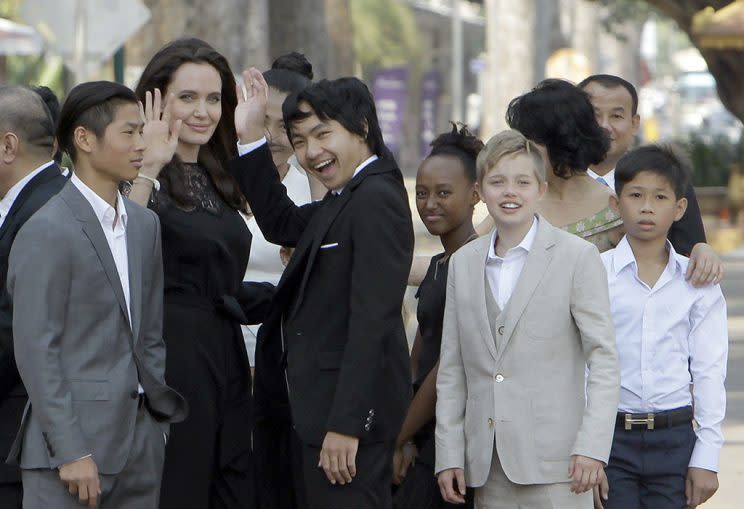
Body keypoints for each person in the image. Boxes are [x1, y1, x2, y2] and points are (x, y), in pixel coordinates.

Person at [228, 70, 414, 509]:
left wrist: (347, 425)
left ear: (362, 127)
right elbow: (279, 223)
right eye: (300, 141)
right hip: (314, 417)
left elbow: (373, 320)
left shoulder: (376, 199)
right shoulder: (346, 195)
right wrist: (250, 135)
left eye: (322, 134)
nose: (312, 153)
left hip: (345, 428)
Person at [6, 80, 187, 509]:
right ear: (84, 139)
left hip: (141, 450)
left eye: (142, 131)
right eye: (129, 132)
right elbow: (36, 349)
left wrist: (156, 428)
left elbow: (150, 335)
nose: (141, 143)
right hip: (68, 456)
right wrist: (69, 449)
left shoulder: (145, 226)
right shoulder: (46, 229)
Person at [436, 129, 619, 509]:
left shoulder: (577, 257)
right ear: (481, 191)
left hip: (562, 464)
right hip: (488, 466)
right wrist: (449, 453)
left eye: (522, 182)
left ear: (540, 189)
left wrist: (592, 446)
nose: (510, 192)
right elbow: (453, 369)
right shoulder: (463, 264)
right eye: (497, 182)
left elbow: (603, 359)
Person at [126, 38, 270, 509]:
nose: (203, 112)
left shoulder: (218, 174)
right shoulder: (136, 173)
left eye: (214, 99)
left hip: (224, 349)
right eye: (187, 97)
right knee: (181, 485)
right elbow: (116, 252)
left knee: (229, 485)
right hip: (171, 353)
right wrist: (148, 165)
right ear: (155, 100)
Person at [599, 145, 727, 509]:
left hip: (674, 439)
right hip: (610, 438)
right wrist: (586, 450)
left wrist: (706, 456)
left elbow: (709, 370)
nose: (647, 207)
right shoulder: (593, 274)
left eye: (660, 197)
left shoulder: (697, 281)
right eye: (635, 195)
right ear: (615, 204)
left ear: (680, 208)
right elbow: (582, 364)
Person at [392, 124, 480, 509]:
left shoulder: (477, 266)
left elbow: (447, 367)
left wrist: (397, 437)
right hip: (420, 429)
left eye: (444, 193)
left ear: (476, 194)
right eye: (422, 193)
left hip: (455, 436)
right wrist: (407, 436)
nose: (430, 204)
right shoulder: (440, 266)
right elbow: (422, 348)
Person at [578, 74, 721, 280]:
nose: (604, 126)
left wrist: (702, 249)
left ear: (635, 123)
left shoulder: (667, 180)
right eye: (593, 116)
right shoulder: (554, 183)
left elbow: (690, 249)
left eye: (616, 116)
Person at [0, 85, 68, 508]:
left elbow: (17, 327)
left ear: (8, 145)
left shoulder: (45, 209)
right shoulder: (37, 199)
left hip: (25, 432)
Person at [241, 51, 325, 367]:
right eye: (262, 121)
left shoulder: (312, 191)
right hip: (217, 354)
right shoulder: (215, 183)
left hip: (283, 361)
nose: (271, 137)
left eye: (284, 126)